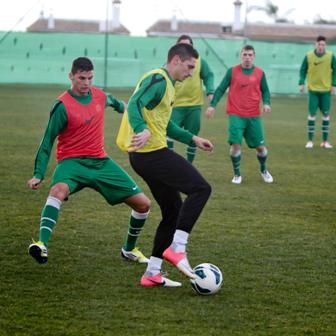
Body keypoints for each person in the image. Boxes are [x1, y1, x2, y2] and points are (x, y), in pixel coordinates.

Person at [27, 57, 151, 264]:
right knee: (57, 191)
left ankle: (129, 250)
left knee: (143, 204)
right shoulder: (62, 105)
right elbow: (47, 140)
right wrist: (38, 174)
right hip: (71, 163)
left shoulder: (100, 96)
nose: (86, 83)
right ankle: (42, 244)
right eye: (81, 78)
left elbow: (118, 104)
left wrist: (129, 109)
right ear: (71, 76)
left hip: (100, 162)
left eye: (90, 78)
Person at [117, 43, 213, 287]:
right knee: (201, 188)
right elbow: (136, 102)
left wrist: (193, 138)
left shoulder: (170, 86)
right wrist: (141, 129)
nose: (192, 73)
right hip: (151, 154)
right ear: (176, 61)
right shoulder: (158, 79)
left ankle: (152, 272)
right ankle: (177, 248)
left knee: (172, 211)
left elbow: (165, 124)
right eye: (190, 67)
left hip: (148, 155)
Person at [206, 44, 273, 185]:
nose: (247, 58)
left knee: (261, 148)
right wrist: (212, 106)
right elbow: (220, 89)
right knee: (235, 145)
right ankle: (237, 175)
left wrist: (266, 103)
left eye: (250, 55)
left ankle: (264, 170)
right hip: (235, 114)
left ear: (254, 56)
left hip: (254, 116)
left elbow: (265, 91)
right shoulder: (232, 72)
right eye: (245, 54)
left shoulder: (260, 73)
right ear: (240, 55)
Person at [167, 35, 214, 163]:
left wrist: (210, 91)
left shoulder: (199, 62)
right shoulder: (173, 63)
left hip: (194, 105)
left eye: (188, 45)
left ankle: (189, 165)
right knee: (169, 134)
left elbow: (208, 76)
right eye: (182, 45)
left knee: (193, 137)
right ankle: (169, 163)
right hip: (175, 105)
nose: (186, 48)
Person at [299, 35, 336, 149]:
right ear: (315, 44)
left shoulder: (330, 56)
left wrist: (334, 84)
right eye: (319, 44)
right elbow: (303, 70)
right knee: (312, 115)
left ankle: (325, 142)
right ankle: (310, 141)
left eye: (323, 45)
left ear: (325, 46)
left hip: (325, 91)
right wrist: (301, 82)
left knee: (326, 115)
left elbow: (335, 70)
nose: (321, 46)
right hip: (313, 90)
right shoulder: (309, 56)